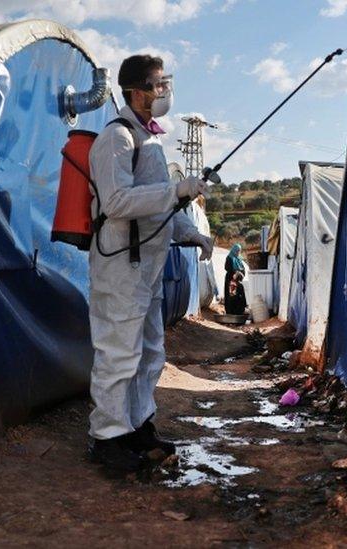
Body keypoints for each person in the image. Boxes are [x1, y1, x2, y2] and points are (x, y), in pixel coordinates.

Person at [87, 54, 213, 472]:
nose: (164, 92)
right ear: (135, 92)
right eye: (157, 86)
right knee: (119, 352)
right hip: (122, 266)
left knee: (149, 353)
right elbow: (118, 201)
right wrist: (178, 190)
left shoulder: (151, 138)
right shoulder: (117, 138)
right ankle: (107, 437)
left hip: (148, 268)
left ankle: (138, 425)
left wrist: (191, 232)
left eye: (165, 84)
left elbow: (159, 205)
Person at [223, 243, 248, 314]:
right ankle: (231, 312)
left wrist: (240, 273)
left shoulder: (239, 259)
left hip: (238, 281)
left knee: (239, 296)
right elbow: (227, 268)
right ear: (234, 250)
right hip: (231, 280)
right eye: (237, 251)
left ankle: (239, 312)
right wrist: (235, 272)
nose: (238, 252)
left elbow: (243, 269)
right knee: (232, 296)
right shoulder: (229, 258)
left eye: (239, 251)